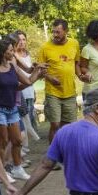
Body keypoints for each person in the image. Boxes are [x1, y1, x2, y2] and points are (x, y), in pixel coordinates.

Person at [0, 39, 42, 180]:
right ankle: (2, 172)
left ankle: (17, 169)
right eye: (10, 51)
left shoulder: (12, 65)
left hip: (12, 108)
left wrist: (39, 71)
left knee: (17, 140)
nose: (13, 53)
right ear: (2, 52)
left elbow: (27, 81)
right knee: (3, 141)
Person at [38, 18, 82, 148]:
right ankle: (53, 156)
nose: (55, 35)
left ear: (66, 31)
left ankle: (66, 151)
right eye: (53, 32)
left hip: (70, 92)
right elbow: (40, 70)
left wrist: (80, 75)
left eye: (58, 32)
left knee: (69, 125)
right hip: (53, 92)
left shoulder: (74, 44)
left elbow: (77, 63)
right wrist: (50, 78)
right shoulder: (45, 47)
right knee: (55, 124)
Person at [14, 30, 40, 148]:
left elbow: (29, 72)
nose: (21, 42)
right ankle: (24, 148)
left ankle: (25, 147)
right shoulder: (14, 56)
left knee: (29, 117)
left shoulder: (27, 54)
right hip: (20, 91)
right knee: (24, 119)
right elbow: (25, 74)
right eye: (19, 40)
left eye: (24, 39)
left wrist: (33, 90)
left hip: (29, 89)